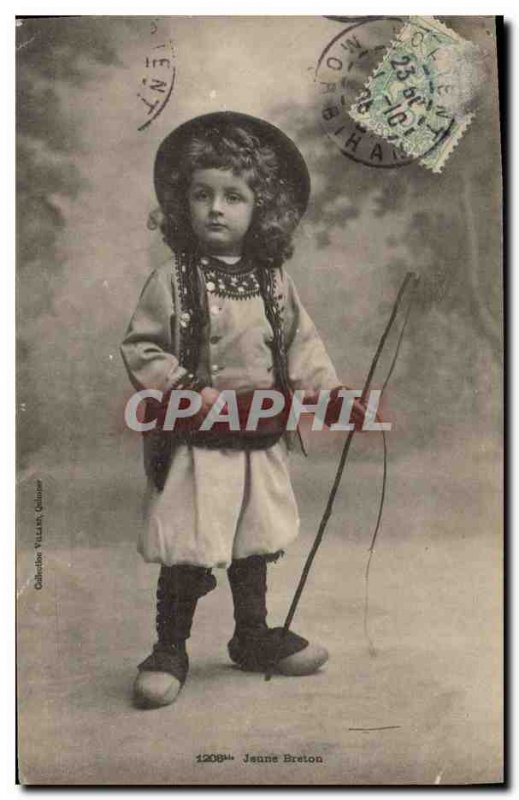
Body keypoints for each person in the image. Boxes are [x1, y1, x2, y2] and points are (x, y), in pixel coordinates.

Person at [120, 112, 367, 709]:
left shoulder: (274, 283)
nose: (216, 208)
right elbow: (142, 347)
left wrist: (331, 395)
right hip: (198, 444)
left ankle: (252, 636)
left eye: (234, 196)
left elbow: (301, 346)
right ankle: (169, 648)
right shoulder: (171, 280)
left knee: (253, 541)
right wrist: (184, 386)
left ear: (263, 208)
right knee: (190, 543)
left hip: (258, 438)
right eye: (202, 194)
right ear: (183, 204)